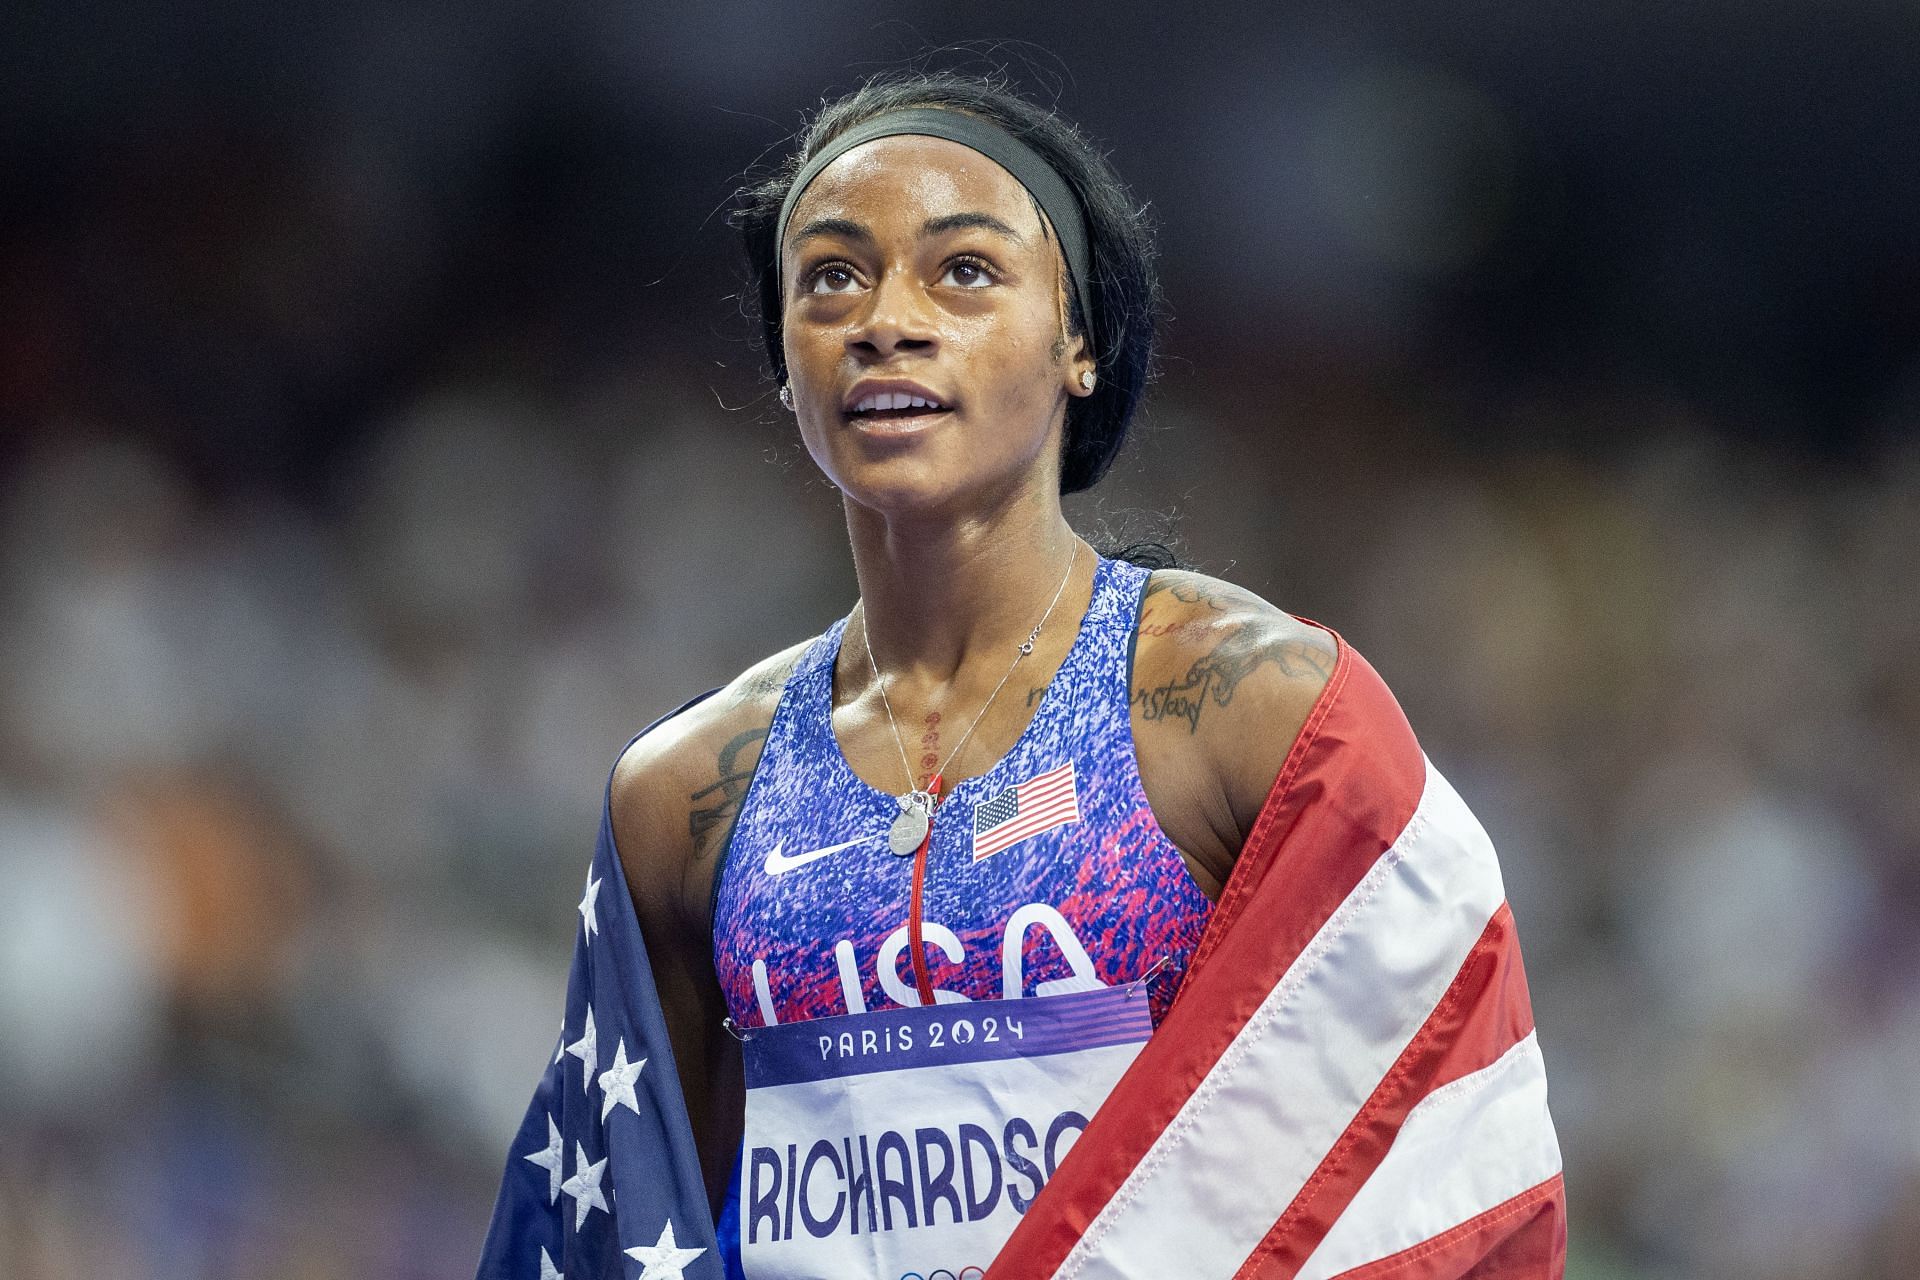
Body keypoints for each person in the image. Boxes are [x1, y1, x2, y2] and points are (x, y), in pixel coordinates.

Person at [477, 68, 1566, 1280]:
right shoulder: (683, 798)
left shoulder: (1244, 710)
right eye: (831, 274)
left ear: (1079, 344)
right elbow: (630, 1228)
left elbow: (1414, 1151)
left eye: (963, 270)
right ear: (786, 361)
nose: (884, 316)